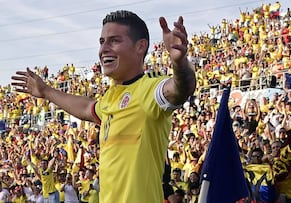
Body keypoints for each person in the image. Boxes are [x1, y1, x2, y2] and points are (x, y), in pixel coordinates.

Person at [12, 10, 196, 203]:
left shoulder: (149, 90)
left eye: (114, 41)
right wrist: (46, 91)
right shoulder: (110, 99)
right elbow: (86, 108)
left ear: (140, 46)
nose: (104, 49)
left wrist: (180, 62)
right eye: (102, 42)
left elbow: (180, 88)